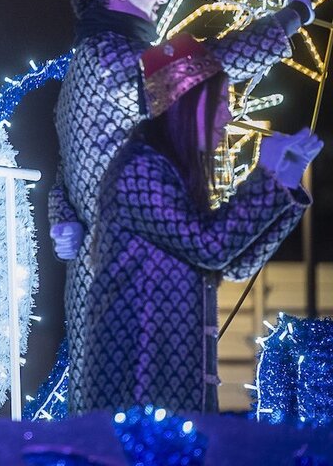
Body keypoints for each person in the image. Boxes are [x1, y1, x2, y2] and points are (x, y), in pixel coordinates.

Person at [46, 0, 314, 413]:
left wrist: (64, 217)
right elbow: (206, 68)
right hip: (137, 293)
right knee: (143, 425)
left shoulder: (88, 63)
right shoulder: (111, 59)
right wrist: (291, 17)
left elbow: (68, 169)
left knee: (109, 423)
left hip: (112, 283)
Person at [72, 34, 320, 414]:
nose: (228, 117)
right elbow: (211, 246)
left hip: (177, 378)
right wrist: (265, 175)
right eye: (220, 103)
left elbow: (234, 263)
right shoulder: (139, 169)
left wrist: (284, 182)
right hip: (138, 378)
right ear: (187, 103)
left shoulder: (171, 173)